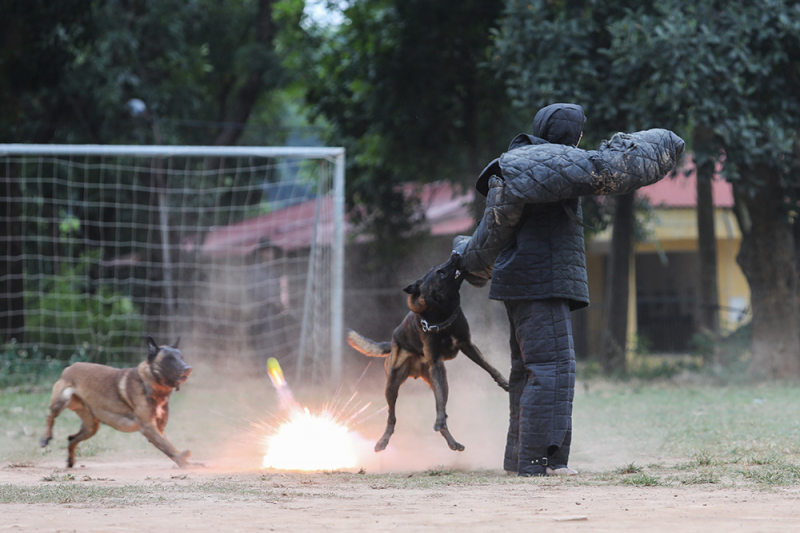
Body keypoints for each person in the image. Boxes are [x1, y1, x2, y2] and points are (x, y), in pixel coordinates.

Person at [453, 103, 684, 477]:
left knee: (528, 372)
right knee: (552, 369)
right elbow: (619, 168)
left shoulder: (520, 162)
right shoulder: (558, 165)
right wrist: (669, 140)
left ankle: (521, 459)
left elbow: (492, 234)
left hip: (520, 284)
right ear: (572, 135)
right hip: (541, 282)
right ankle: (543, 461)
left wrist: (468, 261)